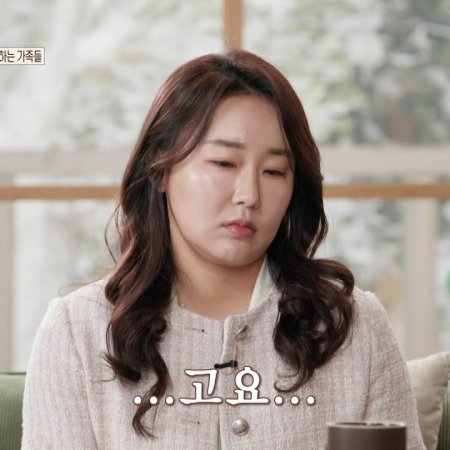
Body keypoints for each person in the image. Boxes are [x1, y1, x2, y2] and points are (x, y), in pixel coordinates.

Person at [21, 49, 425, 449]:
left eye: (274, 171)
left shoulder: (356, 328)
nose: (249, 195)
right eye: (224, 163)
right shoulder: (78, 330)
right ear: (160, 168)